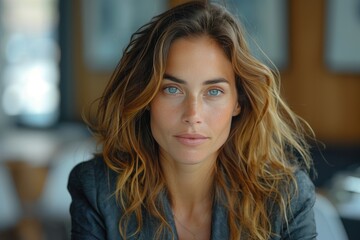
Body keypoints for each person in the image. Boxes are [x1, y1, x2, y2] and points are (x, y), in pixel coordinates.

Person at [68, 1, 317, 239]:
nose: (193, 115)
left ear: (238, 102)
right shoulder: (97, 190)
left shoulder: (287, 197)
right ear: (146, 97)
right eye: (173, 89)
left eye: (214, 91)